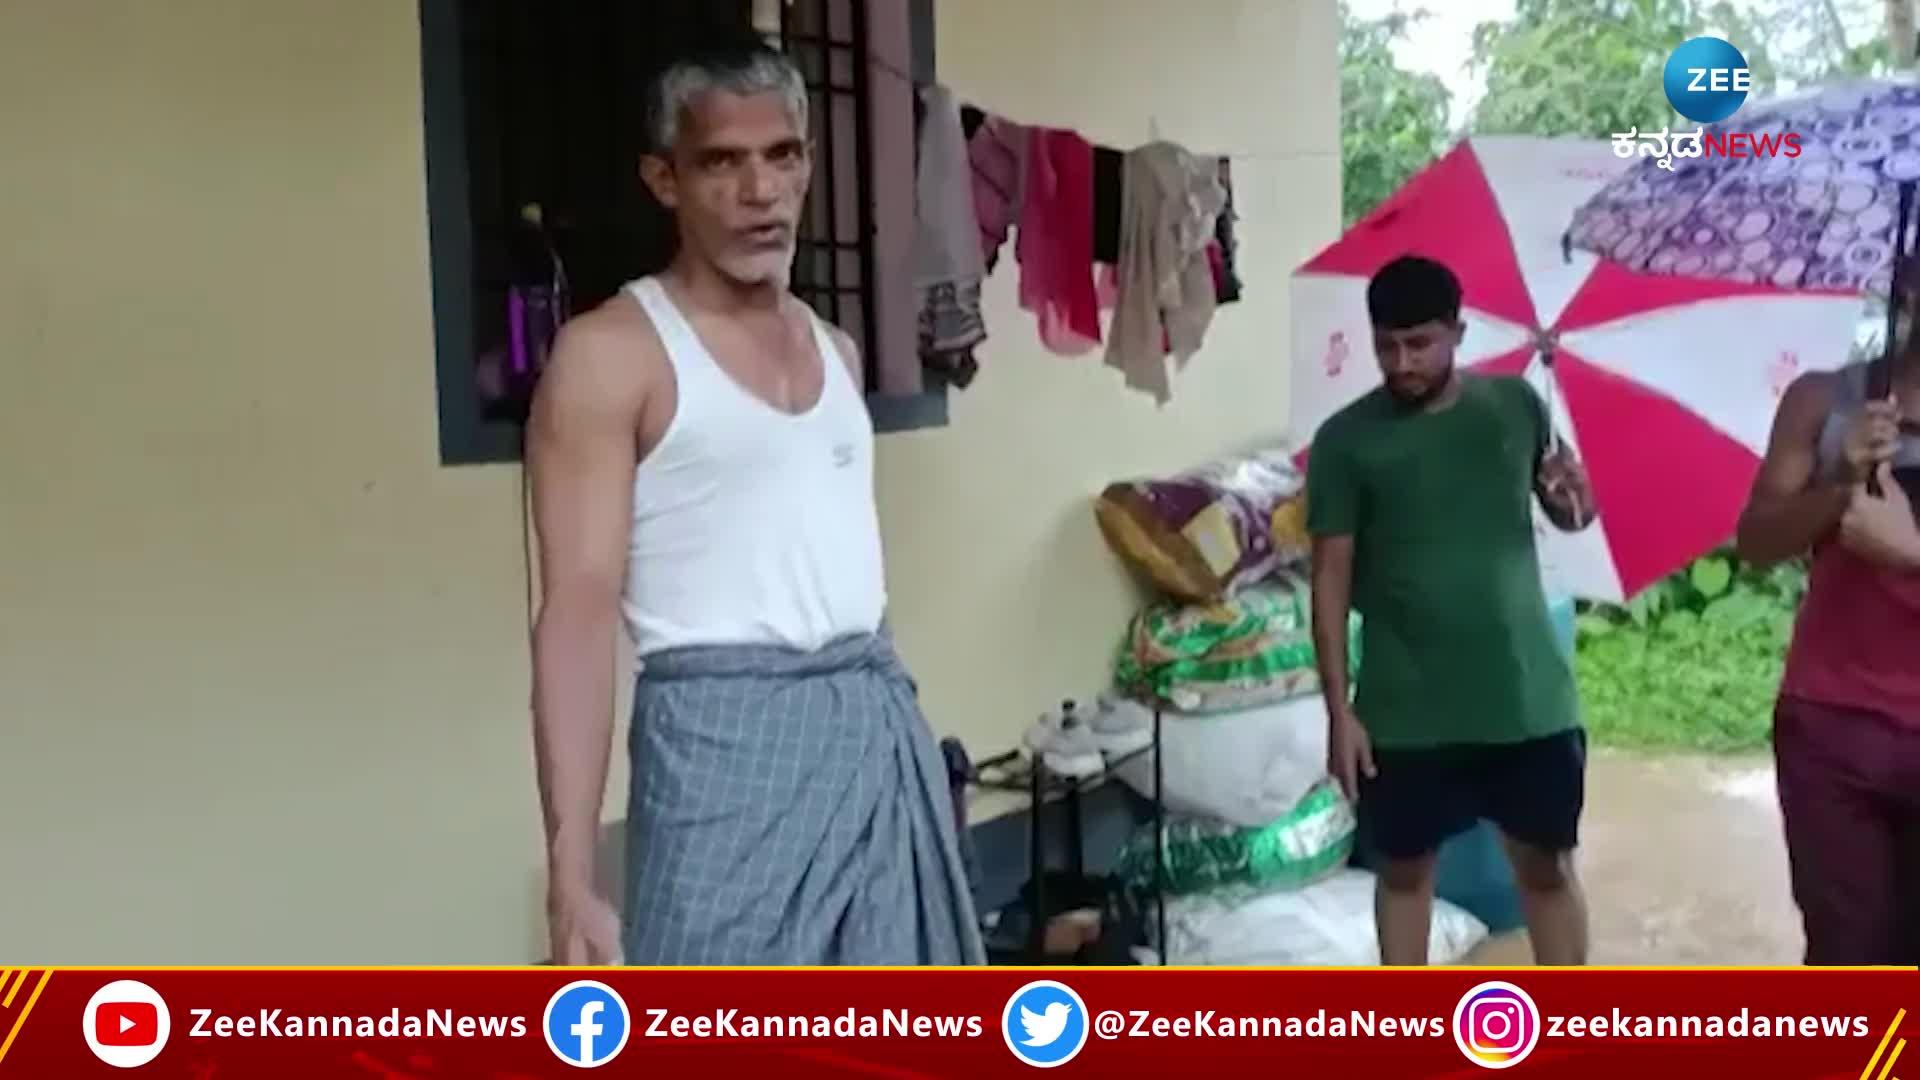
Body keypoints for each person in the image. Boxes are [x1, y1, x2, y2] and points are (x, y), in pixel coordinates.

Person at [525, 36, 985, 967]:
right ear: (664, 180)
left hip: (870, 734)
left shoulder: (837, 350)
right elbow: (574, 605)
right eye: (721, 163)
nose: (759, 190)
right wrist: (570, 869)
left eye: (781, 156)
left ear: (809, 164)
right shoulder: (614, 355)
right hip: (720, 753)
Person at [1306, 255, 1597, 966]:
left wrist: (1574, 498)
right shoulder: (1345, 441)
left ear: (1458, 333)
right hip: (1406, 710)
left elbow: (1571, 515)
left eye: (1420, 344)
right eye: (1387, 345)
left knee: (1548, 869)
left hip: (1525, 698)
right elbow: (1330, 578)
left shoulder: (1517, 407)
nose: (1402, 363)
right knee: (1404, 876)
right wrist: (1340, 712)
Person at [1734, 265, 1920, 966]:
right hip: (1833, 725)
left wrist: (1912, 555)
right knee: (1848, 955)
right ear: (1908, 283)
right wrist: (1838, 484)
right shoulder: (1826, 401)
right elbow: (1755, 542)